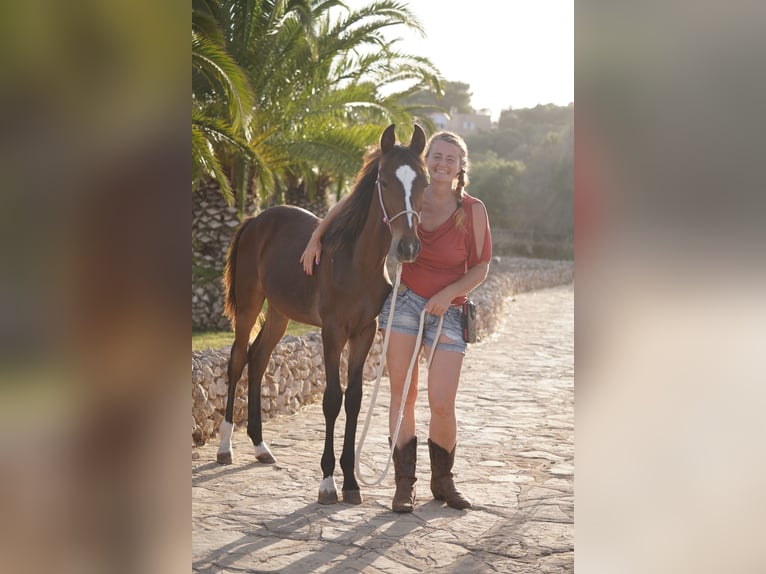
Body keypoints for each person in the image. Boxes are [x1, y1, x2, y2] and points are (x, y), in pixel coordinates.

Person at [300, 131, 492, 512]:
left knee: (441, 401)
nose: (441, 163)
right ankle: (404, 484)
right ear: (427, 159)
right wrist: (316, 236)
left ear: (460, 165)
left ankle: (443, 481)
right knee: (403, 395)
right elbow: (351, 204)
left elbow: (482, 267)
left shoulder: (472, 210)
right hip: (405, 304)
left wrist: (445, 295)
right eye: (436, 155)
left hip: (448, 310)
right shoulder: (410, 192)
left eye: (450, 158)